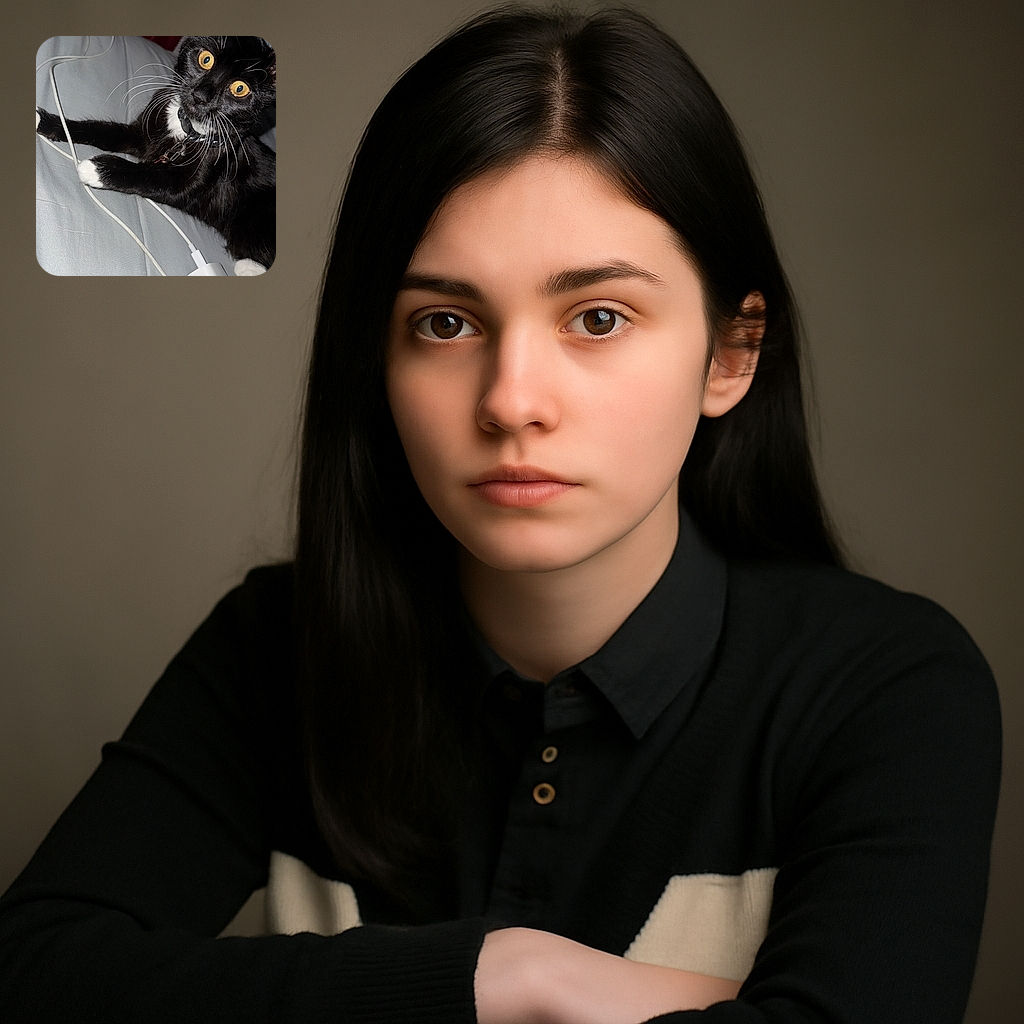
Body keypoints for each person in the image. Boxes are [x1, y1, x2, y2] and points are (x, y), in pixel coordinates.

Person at [0, 7, 1001, 1023]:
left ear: (730, 354)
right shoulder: (278, 650)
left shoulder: (887, 687)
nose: (512, 399)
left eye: (597, 317)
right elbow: (33, 975)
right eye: (445, 322)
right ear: (375, 359)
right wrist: (501, 977)